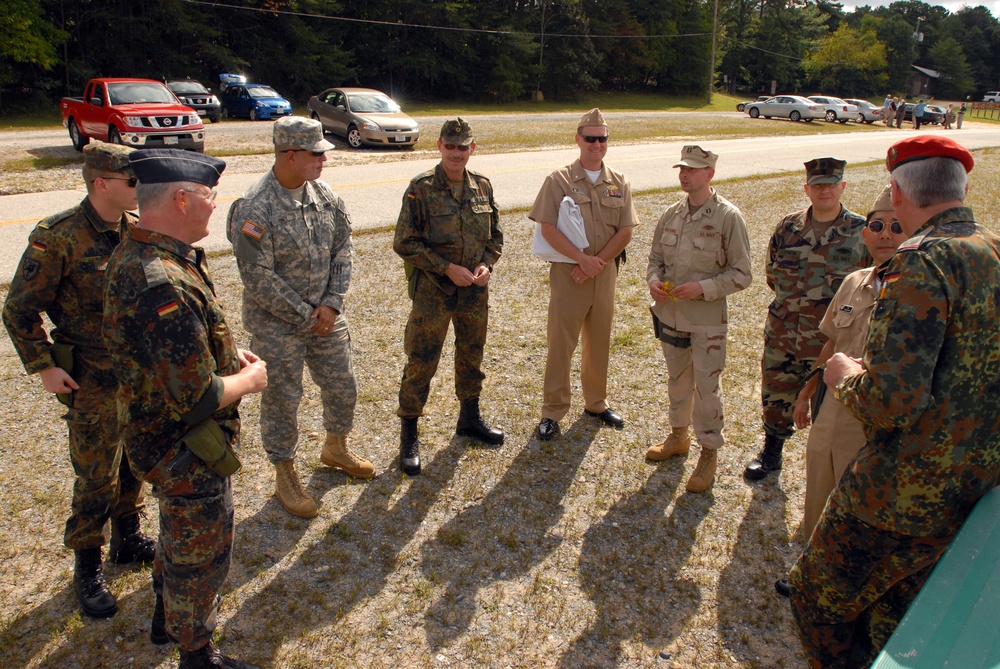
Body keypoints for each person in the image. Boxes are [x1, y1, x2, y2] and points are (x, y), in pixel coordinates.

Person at [789, 136, 1000, 668]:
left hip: (903, 489)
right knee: (898, 611)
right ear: (962, 189)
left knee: (816, 597)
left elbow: (891, 403)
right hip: (974, 484)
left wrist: (844, 373)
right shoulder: (993, 249)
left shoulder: (921, 262)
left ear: (898, 192)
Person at [104, 149, 268, 668]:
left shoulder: (150, 253)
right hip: (183, 449)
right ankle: (196, 652)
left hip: (157, 435)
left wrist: (223, 353)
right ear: (181, 198)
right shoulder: (161, 280)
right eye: (209, 197)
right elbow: (195, 396)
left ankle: (163, 617)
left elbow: (175, 350)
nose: (214, 208)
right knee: (200, 553)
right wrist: (248, 379)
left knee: (176, 535)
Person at [2, 142, 155, 619]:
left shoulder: (138, 231)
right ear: (101, 183)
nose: (140, 189)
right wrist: (44, 365)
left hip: (136, 373)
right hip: (90, 377)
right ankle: (87, 564)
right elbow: (19, 309)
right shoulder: (60, 237)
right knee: (95, 473)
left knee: (134, 459)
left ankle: (127, 538)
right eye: (133, 181)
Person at [227, 116, 373, 519]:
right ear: (289, 155)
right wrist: (308, 315)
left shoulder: (324, 195)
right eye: (316, 153)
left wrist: (332, 302)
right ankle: (285, 473)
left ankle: (335, 447)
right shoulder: (255, 207)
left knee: (343, 385)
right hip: (278, 325)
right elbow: (256, 277)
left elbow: (343, 249)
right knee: (282, 400)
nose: (324, 159)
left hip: (326, 315)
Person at [773, 184, 906, 598]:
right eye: (877, 225)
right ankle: (812, 566)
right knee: (818, 478)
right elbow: (830, 342)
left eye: (896, 226)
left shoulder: (915, 292)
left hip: (872, 416)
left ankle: (845, 582)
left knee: (855, 498)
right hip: (832, 407)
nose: (885, 234)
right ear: (865, 233)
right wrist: (807, 389)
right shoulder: (853, 283)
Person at [744, 158, 869, 481]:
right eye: (817, 185)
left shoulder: (862, 232)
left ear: (843, 187)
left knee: (835, 404)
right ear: (807, 189)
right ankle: (772, 453)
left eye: (831, 184)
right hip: (784, 332)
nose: (824, 190)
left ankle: (835, 465)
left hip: (833, 341)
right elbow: (772, 274)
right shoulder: (788, 228)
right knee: (775, 393)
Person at [392, 118, 504, 476]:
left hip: (474, 291)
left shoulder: (482, 186)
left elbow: (496, 237)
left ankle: (469, 418)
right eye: (450, 146)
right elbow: (404, 242)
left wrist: (487, 264)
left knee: (472, 354)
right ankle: (409, 431)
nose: (457, 153)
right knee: (422, 359)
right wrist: (445, 268)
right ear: (439, 146)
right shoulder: (421, 188)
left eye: (463, 147)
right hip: (434, 292)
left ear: (473, 149)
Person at [644, 145, 752, 492]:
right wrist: (653, 281)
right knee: (677, 380)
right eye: (681, 168)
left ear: (710, 174)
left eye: (692, 169)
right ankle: (678, 437)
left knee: (707, 389)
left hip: (706, 321)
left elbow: (742, 274)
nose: (684, 175)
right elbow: (655, 258)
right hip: (672, 316)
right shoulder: (671, 214)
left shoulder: (727, 217)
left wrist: (703, 288)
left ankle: (709, 453)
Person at [529, 108, 636, 440]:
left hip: (603, 276)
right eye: (590, 138)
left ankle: (596, 403)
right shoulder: (558, 180)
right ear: (577, 139)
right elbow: (547, 227)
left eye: (602, 138)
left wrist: (597, 263)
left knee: (599, 342)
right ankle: (552, 411)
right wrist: (580, 260)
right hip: (569, 274)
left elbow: (626, 230)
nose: (596, 144)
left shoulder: (619, 181)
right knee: (561, 344)